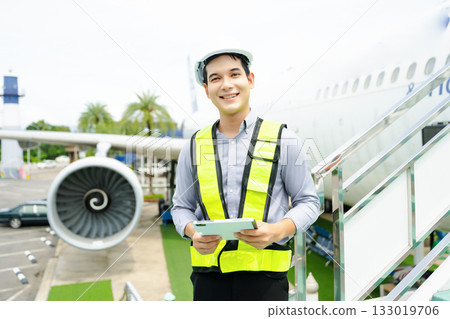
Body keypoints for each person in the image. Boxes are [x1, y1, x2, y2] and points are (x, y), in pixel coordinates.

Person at [172, 47, 320, 301]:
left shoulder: (285, 140)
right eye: (216, 78)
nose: (227, 84)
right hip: (208, 280)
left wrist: (276, 231)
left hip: (266, 283)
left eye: (234, 74)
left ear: (250, 81)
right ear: (207, 90)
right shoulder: (194, 146)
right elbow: (180, 207)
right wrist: (192, 232)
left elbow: (309, 202)